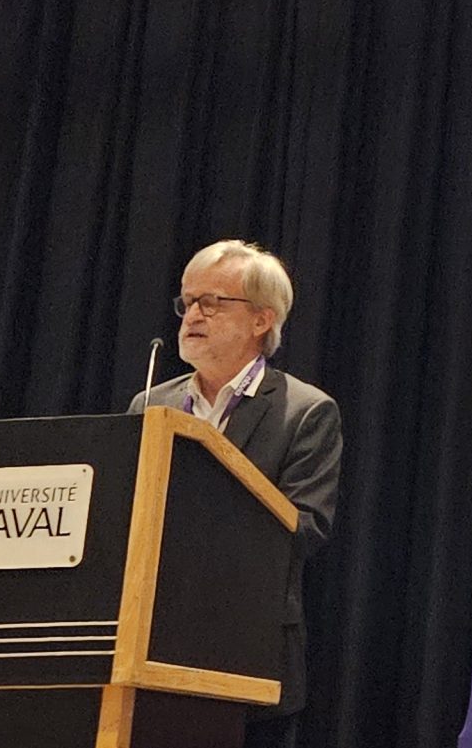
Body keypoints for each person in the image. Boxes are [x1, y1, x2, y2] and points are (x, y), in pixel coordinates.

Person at [129, 239, 342, 748]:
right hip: (150, 645)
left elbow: (305, 528)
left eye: (212, 302)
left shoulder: (304, 411)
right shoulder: (150, 404)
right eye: (187, 302)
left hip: (248, 648)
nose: (192, 316)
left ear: (261, 320)